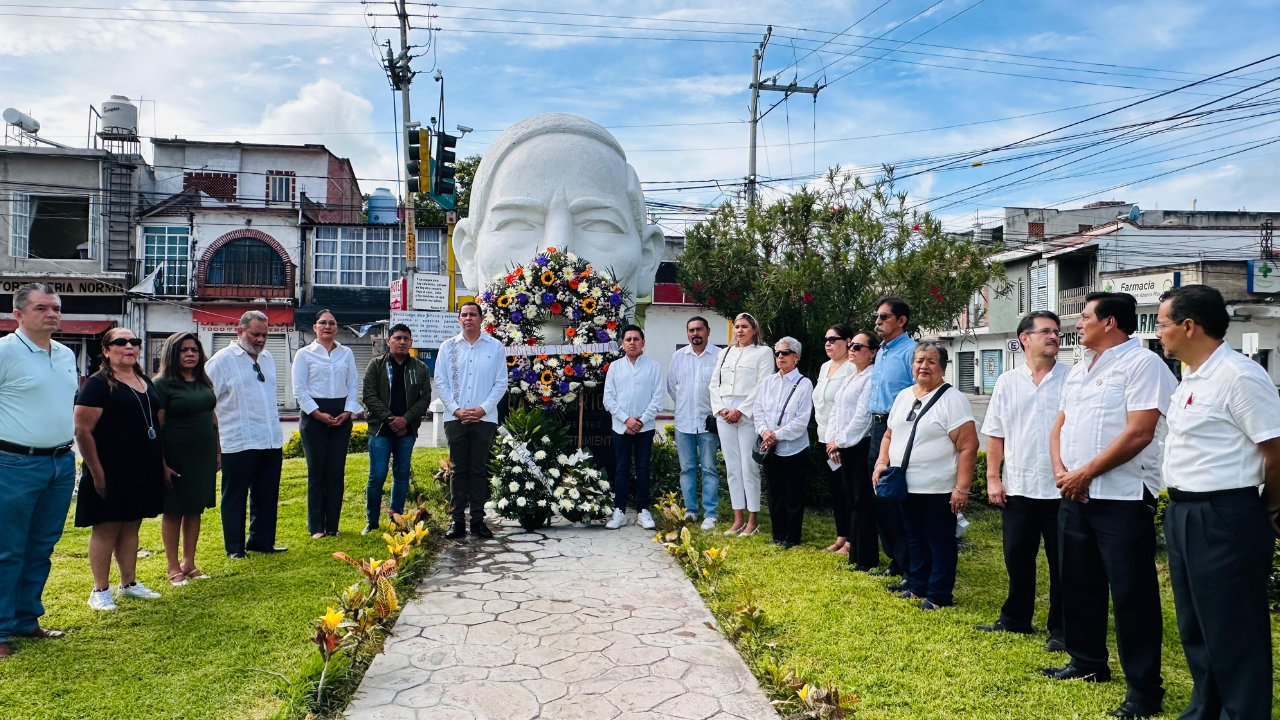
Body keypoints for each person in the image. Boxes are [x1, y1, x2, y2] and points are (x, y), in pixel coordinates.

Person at [1044, 292, 1177, 719]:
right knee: (1078, 581)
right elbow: (1060, 425)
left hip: (1121, 498)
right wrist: (1064, 472)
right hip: (1075, 494)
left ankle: (1144, 689)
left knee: (1131, 593)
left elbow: (1140, 432)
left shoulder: (1143, 365)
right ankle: (1086, 662)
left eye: (1084, 317)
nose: (1076, 324)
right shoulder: (1079, 369)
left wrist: (1086, 474)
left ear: (1111, 322)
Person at [1156, 284, 1280, 720]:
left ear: (1189, 326)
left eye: (1162, 323)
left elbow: (1276, 450)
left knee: (1234, 628)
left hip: (1226, 514)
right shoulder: (1191, 374)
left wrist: (1270, 509)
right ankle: (1204, 709)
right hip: (1185, 512)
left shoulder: (1240, 377)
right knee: (1196, 624)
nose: (1159, 333)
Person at [974, 311, 1068, 651]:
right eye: (1046, 331)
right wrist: (993, 478)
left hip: (1060, 488)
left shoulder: (1072, 379)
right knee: (1017, 557)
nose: (1054, 336)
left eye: (1056, 331)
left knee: (1063, 564)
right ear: (1024, 339)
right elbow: (995, 434)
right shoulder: (1007, 382)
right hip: (1018, 487)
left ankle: (1061, 629)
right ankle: (1015, 619)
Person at [0, 284, 78, 658]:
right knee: (7, 551)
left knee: (41, 548)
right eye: (42, 308)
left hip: (60, 463)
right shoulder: (4, 352)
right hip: (14, 464)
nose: (52, 313)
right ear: (18, 314)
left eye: (56, 307)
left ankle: (25, 620)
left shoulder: (65, 354)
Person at [872, 341, 977, 610]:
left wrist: (961, 488)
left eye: (931, 361)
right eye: (919, 360)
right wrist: (881, 462)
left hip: (937, 487)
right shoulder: (905, 395)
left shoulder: (953, 400)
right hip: (905, 484)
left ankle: (939, 594)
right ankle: (918, 586)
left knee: (940, 540)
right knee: (914, 536)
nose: (924, 366)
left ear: (942, 366)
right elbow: (888, 434)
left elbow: (968, 446)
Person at [74, 328, 166, 610]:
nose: (129, 346)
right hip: (110, 467)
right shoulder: (98, 384)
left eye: (134, 342)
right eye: (121, 342)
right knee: (107, 527)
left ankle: (128, 583)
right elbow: (82, 430)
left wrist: (160, 464)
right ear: (106, 350)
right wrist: (97, 473)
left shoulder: (143, 380)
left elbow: (156, 423)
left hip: (141, 467)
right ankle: (100, 590)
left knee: (132, 524)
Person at [207, 310, 287, 559]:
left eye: (264, 335)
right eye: (255, 334)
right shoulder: (221, 360)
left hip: (270, 438)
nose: (260, 339)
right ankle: (235, 548)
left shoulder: (269, 359)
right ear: (239, 331)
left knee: (267, 493)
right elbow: (208, 402)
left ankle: (261, 541)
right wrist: (215, 443)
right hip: (237, 440)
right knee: (235, 497)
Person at [435, 301, 508, 540]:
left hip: (484, 419)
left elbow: (501, 383)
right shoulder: (448, 347)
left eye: (473, 315)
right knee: (458, 470)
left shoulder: (495, 347)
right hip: (454, 418)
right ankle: (456, 521)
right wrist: (456, 410)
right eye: (464, 315)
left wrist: (482, 410)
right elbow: (440, 382)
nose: (468, 319)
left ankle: (477, 520)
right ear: (459, 319)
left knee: (478, 469)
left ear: (481, 318)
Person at [154, 332, 219, 587]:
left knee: (195, 508)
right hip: (175, 455)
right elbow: (155, 427)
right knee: (174, 510)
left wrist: (217, 451)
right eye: (184, 350)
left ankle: (189, 563)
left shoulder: (203, 381)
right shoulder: (162, 384)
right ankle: (173, 567)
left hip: (202, 456)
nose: (190, 354)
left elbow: (212, 418)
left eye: (194, 349)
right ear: (172, 354)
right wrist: (161, 464)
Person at [292, 310, 361, 539]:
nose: (328, 326)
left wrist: (348, 411)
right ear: (315, 327)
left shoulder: (346, 353)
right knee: (317, 472)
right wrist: (318, 414)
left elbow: (352, 384)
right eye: (323, 323)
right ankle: (317, 527)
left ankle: (332, 526)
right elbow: (299, 390)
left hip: (341, 416)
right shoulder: (304, 354)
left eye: (332, 323)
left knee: (335, 472)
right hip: (314, 417)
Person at [362, 323, 433, 535]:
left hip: (406, 431)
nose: (402, 342)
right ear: (388, 341)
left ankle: (396, 519)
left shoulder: (420, 368)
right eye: (397, 338)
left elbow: (424, 399)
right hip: (380, 430)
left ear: (411, 343)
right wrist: (391, 419)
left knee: (401, 475)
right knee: (377, 475)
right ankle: (372, 521)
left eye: (406, 339)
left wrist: (406, 420)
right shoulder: (375, 366)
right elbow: (369, 396)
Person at [709, 313, 774, 536]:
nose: (739, 331)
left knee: (749, 467)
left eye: (744, 327)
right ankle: (738, 519)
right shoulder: (725, 353)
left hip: (748, 412)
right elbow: (713, 384)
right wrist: (722, 409)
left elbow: (762, 384)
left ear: (754, 329)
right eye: (737, 327)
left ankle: (753, 520)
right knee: (733, 468)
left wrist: (741, 410)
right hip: (725, 412)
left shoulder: (763, 352)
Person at [865, 297, 915, 577]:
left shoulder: (910, 351)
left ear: (901, 321)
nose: (878, 321)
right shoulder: (882, 351)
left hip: (897, 429)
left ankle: (908, 563)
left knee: (895, 497)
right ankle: (895, 559)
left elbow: (919, 393)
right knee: (880, 495)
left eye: (884, 317)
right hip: (876, 428)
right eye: (877, 316)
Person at [827, 331, 880, 571]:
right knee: (852, 499)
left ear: (872, 353)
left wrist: (841, 440)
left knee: (863, 500)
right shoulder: (851, 375)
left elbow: (862, 417)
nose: (852, 349)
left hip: (859, 445)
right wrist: (832, 441)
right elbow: (837, 411)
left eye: (859, 347)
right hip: (844, 445)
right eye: (851, 345)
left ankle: (866, 557)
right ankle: (855, 553)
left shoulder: (870, 378)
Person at [754, 337, 814, 548]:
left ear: (796, 357)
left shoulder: (804, 384)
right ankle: (778, 534)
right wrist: (764, 431)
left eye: (785, 353)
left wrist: (775, 435)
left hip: (793, 447)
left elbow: (801, 421)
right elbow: (758, 410)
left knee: (793, 494)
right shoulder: (767, 382)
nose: (780, 356)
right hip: (769, 447)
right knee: (774, 493)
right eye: (777, 353)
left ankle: (792, 537)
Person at [604, 325, 665, 531]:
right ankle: (619, 511)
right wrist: (626, 420)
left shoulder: (654, 367)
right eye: (628, 339)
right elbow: (608, 399)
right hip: (620, 427)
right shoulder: (615, 367)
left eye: (636, 339)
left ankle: (643, 511)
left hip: (645, 428)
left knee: (642, 468)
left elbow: (657, 399)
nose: (632, 342)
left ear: (643, 343)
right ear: (622, 343)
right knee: (621, 468)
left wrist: (640, 421)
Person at [666, 316, 721, 531]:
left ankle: (711, 513)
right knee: (686, 469)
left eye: (699, 329)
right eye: (691, 330)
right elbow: (672, 388)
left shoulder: (719, 356)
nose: (695, 334)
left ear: (708, 331)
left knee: (709, 468)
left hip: (707, 423)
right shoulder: (678, 357)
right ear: (687, 333)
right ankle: (691, 510)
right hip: (684, 423)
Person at [813, 324, 858, 553]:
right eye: (826, 339)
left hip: (842, 440)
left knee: (848, 490)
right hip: (824, 437)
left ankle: (852, 540)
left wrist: (837, 440)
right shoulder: (824, 367)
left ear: (848, 341)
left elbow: (847, 408)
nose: (828, 343)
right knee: (836, 491)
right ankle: (841, 535)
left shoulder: (852, 368)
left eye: (834, 339)